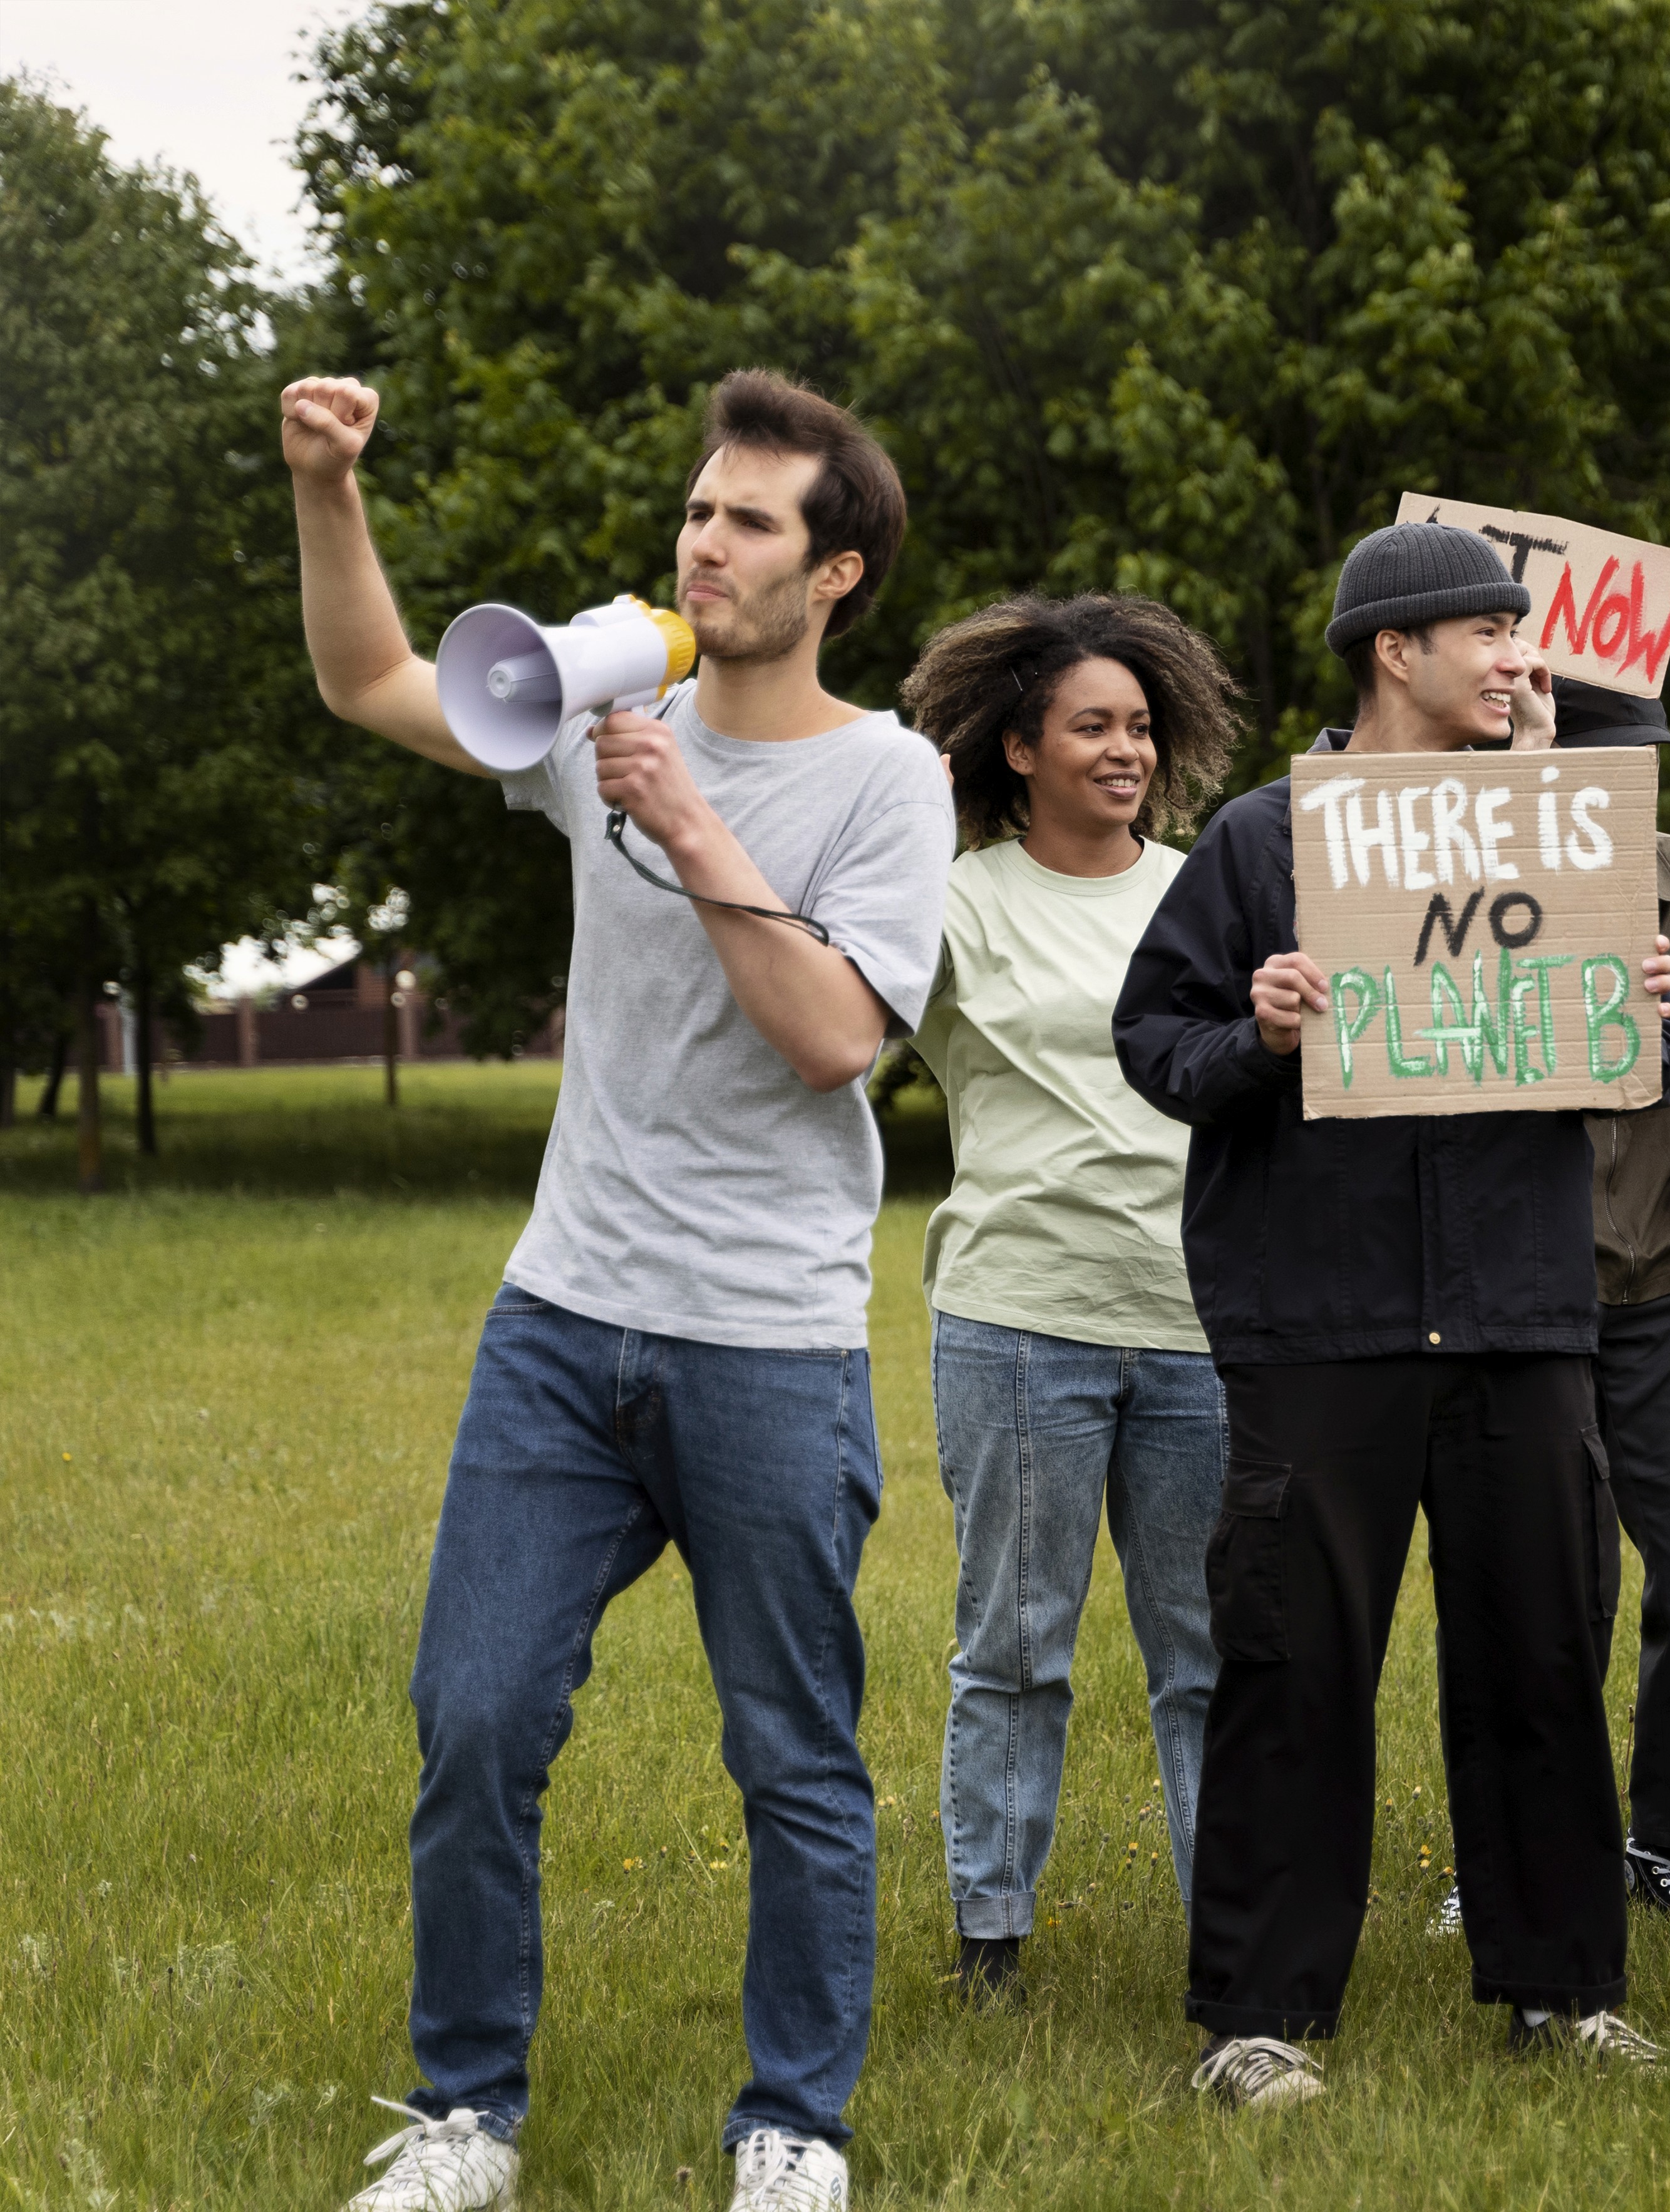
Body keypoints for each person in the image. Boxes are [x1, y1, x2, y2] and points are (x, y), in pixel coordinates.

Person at [283, 368, 944, 2212]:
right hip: (565, 1316)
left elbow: (832, 1040)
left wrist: (691, 824)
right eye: (698, 509)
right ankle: (467, 2115)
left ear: (839, 574)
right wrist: (329, 492)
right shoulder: (606, 709)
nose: (702, 542)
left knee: (791, 1749)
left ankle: (792, 2123)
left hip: (769, 1338)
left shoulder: (889, 777)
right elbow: (370, 682)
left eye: (749, 521)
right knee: (476, 1708)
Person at [1112, 521, 1670, 2109]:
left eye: (1525, 635)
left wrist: (1645, 1014)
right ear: (1396, 652)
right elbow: (1154, 1042)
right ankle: (1258, 2020)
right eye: (1492, 635)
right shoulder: (1259, 841)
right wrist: (1262, 1031)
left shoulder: (1569, 832)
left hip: (1519, 1318)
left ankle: (1561, 1993)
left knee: (1540, 1659)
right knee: (1294, 1670)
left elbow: (1642, 1071)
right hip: (1322, 1321)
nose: (1520, 660)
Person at [898, 594, 1245, 2001]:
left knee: (1210, 1655)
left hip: (1203, 1321)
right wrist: (895, 814)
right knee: (1014, 1648)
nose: (1126, 752)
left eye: (1142, 728)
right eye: (1093, 727)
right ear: (1019, 747)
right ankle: (992, 1935)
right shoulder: (952, 896)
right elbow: (815, 977)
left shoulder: (1210, 886)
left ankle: (1232, 1930)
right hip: (1019, 1318)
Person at [1428, 676, 1670, 1937]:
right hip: (1523, 1293)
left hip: (1663, 1286)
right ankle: (1502, 1853)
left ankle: (1660, 1841)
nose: (1628, 786)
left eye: (1644, 763)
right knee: (1537, 1588)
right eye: (1597, 761)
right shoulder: (1464, 863)